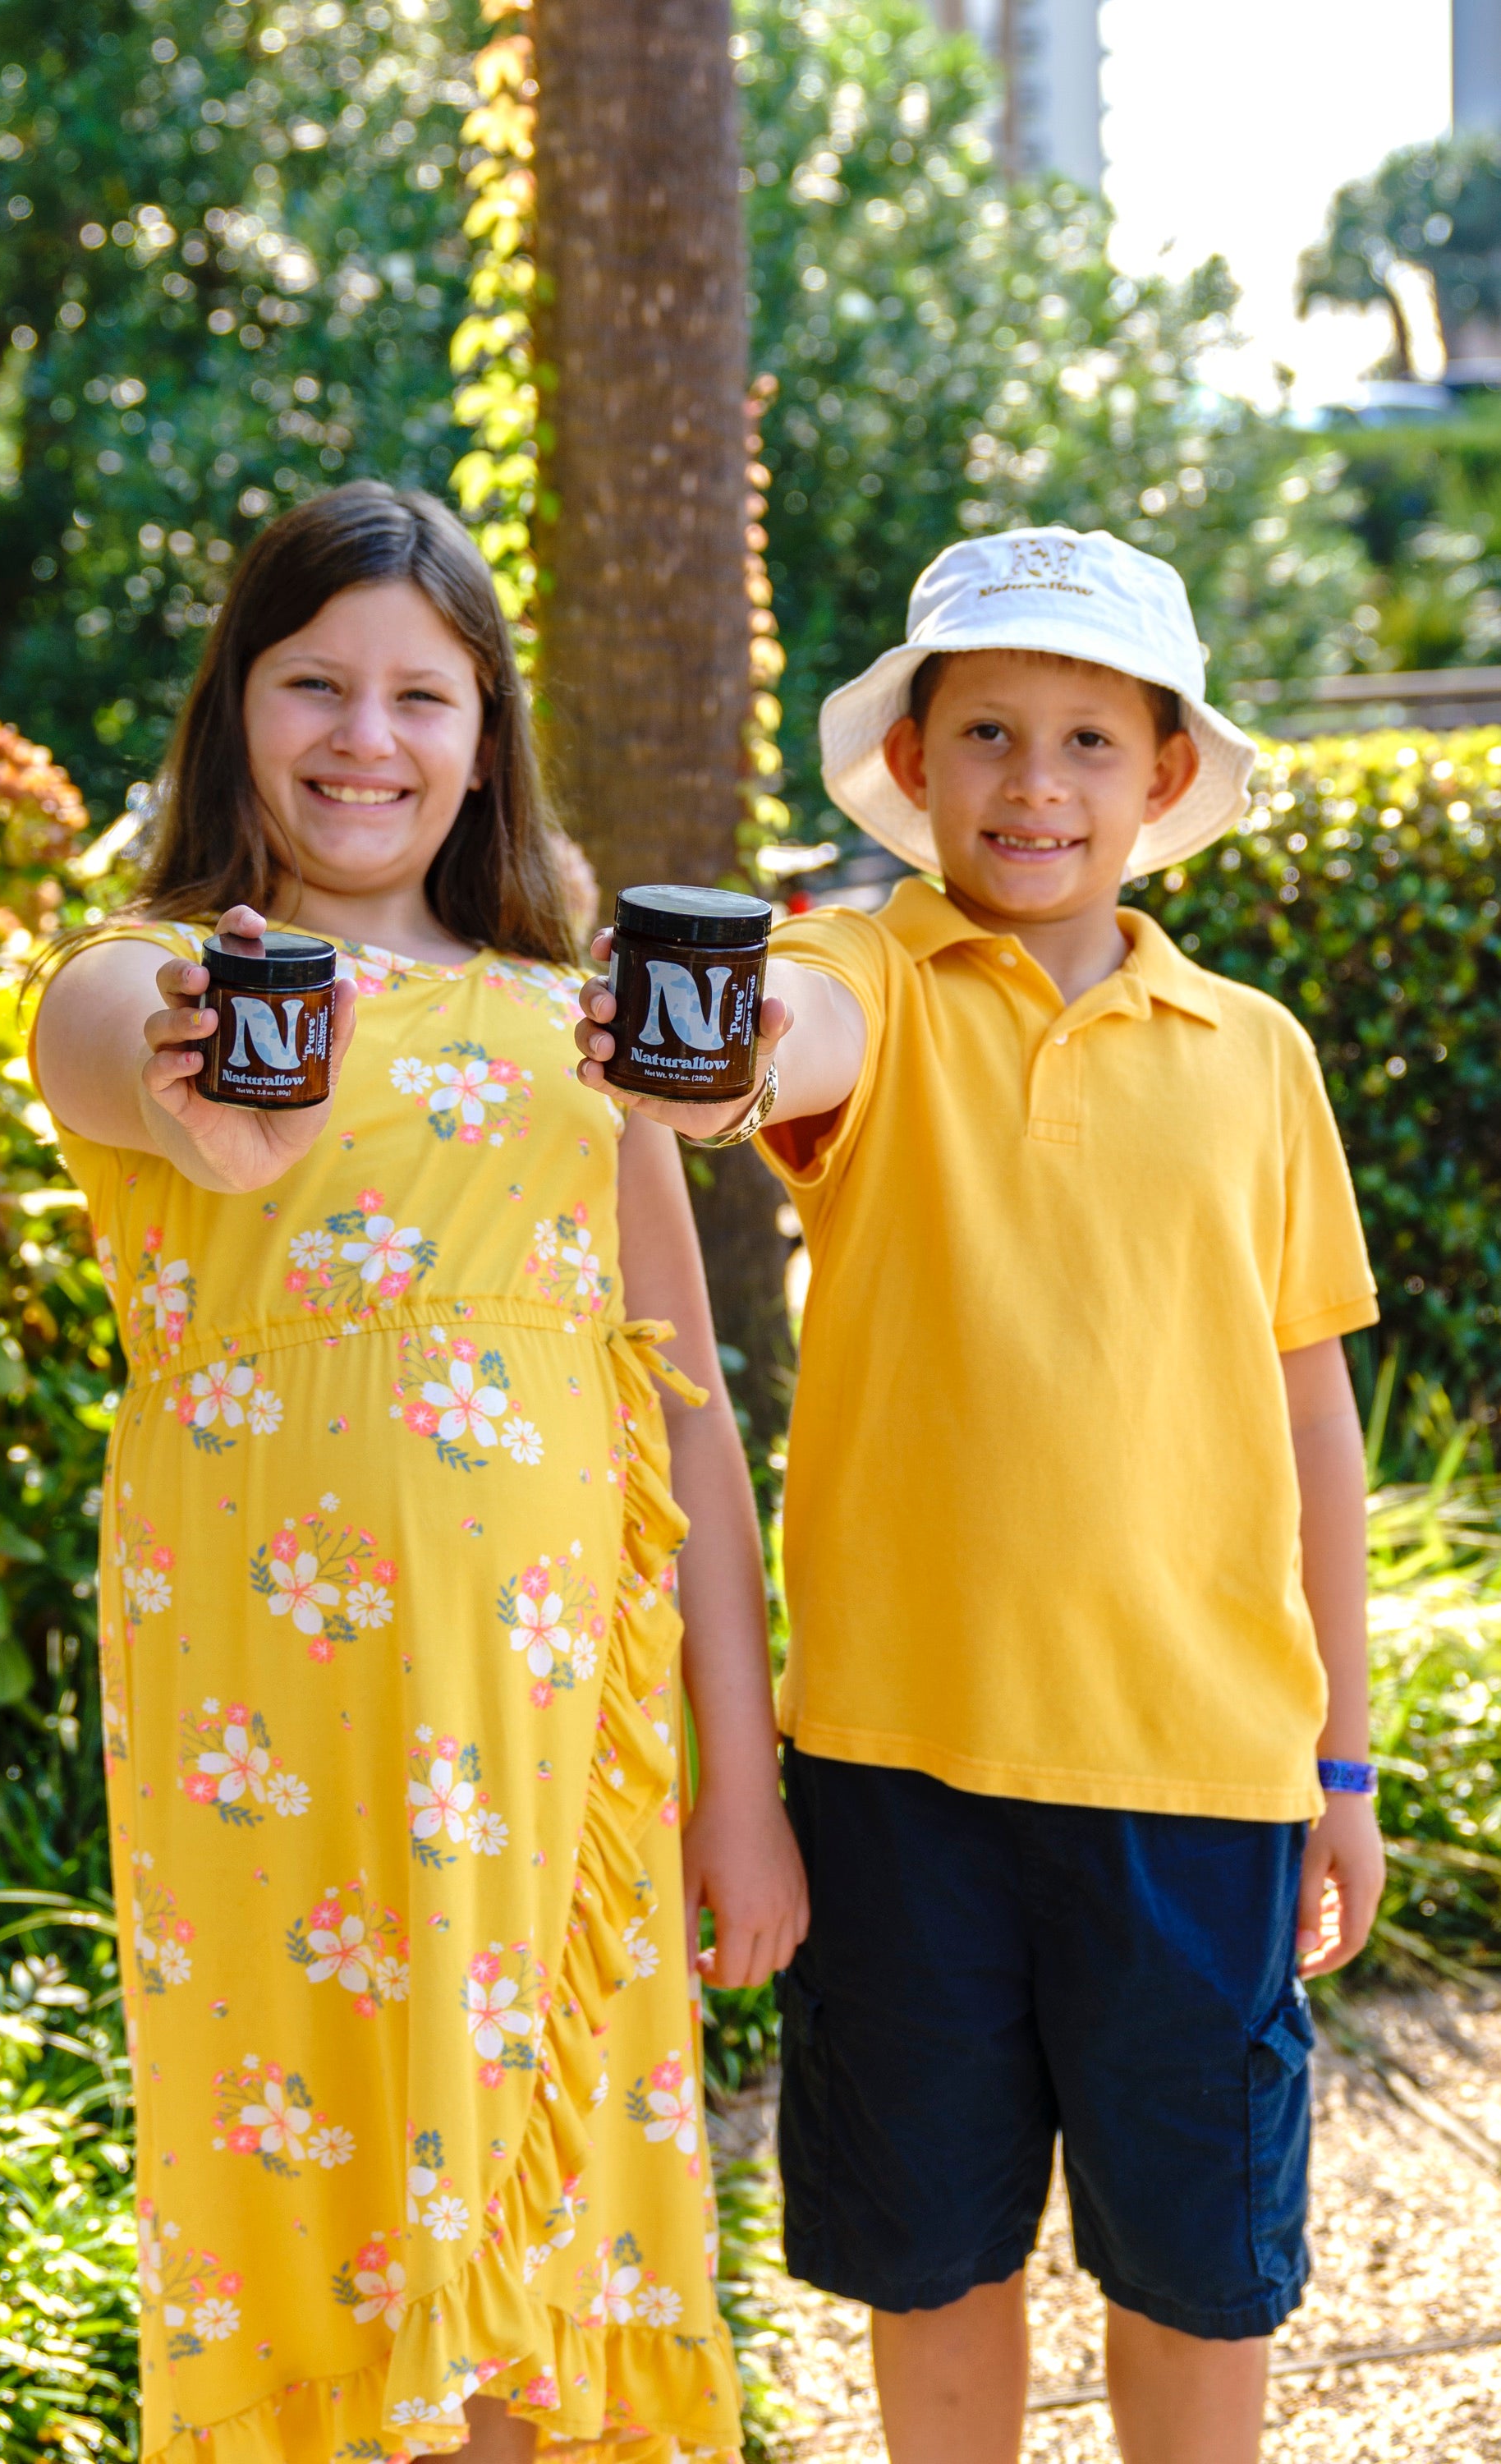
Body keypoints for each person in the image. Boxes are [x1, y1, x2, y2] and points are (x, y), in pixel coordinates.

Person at [576, 526, 1385, 2464]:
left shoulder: (1253, 1058)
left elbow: (1312, 1430)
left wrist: (1341, 1769)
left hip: (1194, 1780)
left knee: (1196, 2272)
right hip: (896, 1779)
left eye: (1087, 742)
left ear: (1162, 774)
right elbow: (780, 1037)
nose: (1035, 784)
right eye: (991, 735)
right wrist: (702, 1049)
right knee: (931, 2266)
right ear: (915, 767)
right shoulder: (865, 971)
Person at [31, 480, 806, 2464]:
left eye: (419, 697)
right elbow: (163, 1081)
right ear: (236, 708)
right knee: (316, 2210)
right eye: (313, 685)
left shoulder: (583, 1038)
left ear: (483, 743)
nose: (362, 740)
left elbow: (685, 1434)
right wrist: (222, 1087)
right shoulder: (126, 981)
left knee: (536, 2281)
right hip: (267, 1751)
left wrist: (747, 1792)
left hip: (557, 1749)